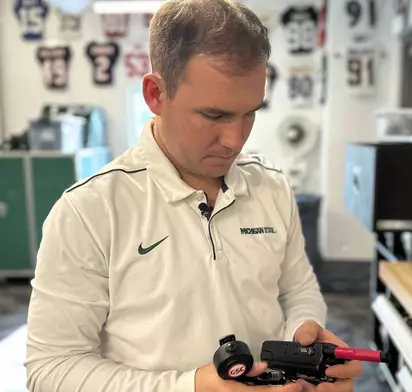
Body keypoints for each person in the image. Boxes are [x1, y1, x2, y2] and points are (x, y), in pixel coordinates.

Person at [24, 1, 363, 391]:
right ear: (155, 94)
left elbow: (296, 289)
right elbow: (51, 371)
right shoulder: (89, 211)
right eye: (215, 116)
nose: (235, 140)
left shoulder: (272, 187)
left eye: (250, 113)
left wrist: (306, 336)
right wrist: (190, 386)